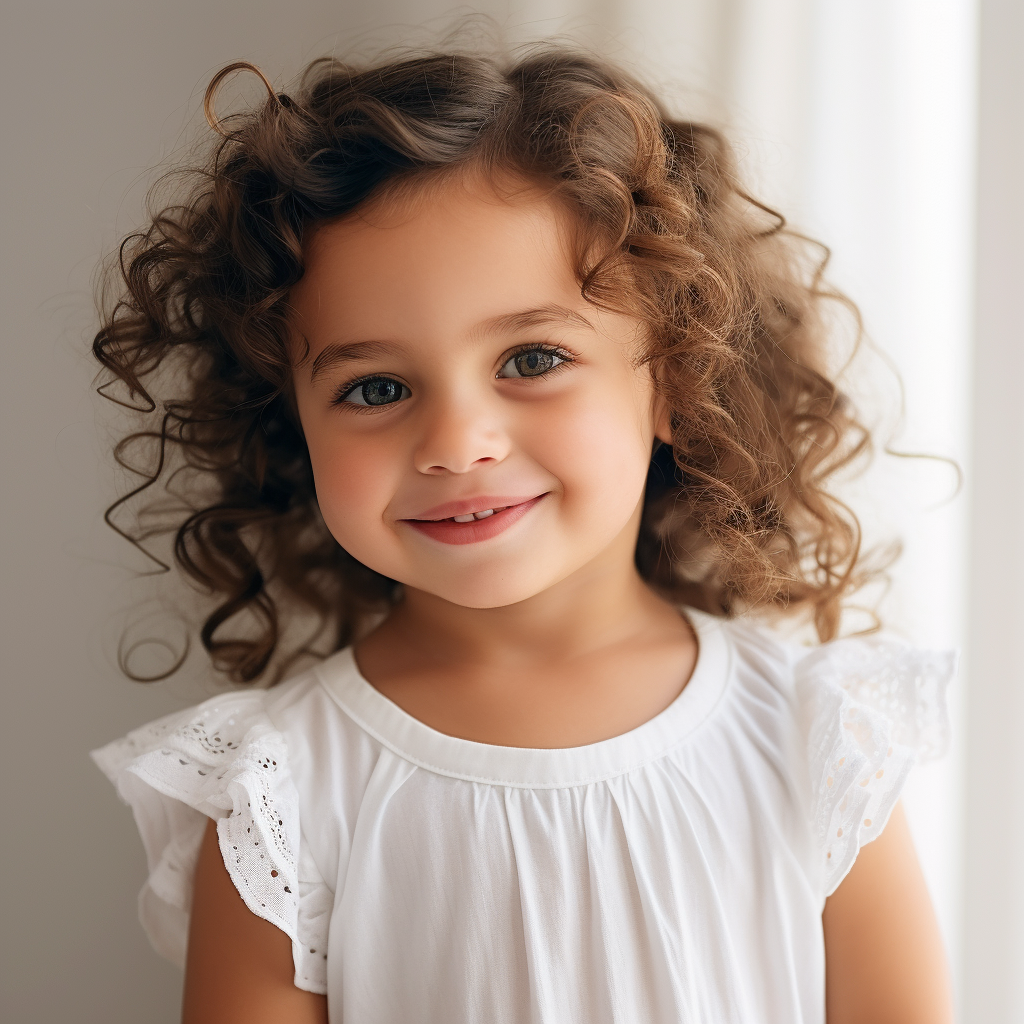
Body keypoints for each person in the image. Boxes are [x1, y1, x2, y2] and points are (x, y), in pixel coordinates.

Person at [91, 45, 956, 1024]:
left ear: (671, 381)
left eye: (531, 357)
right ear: (292, 420)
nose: (457, 444)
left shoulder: (816, 739)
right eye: (376, 387)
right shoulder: (277, 791)